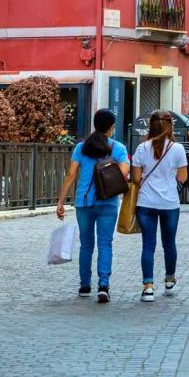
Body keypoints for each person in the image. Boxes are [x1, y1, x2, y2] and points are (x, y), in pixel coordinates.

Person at [56, 109, 129, 303]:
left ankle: (84, 285)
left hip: (84, 202)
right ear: (111, 128)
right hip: (108, 202)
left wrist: (61, 201)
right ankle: (103, 285)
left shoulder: (81, 148)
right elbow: (123, 175)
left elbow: (70, 175)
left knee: (86, 244)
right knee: (105, 243)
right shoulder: (119, 148)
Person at [131, 110, 189, 303]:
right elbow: (183, 177)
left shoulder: (141, 148)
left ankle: (148, 287)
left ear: (151, 126)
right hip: (169, 203)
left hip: (146, 202)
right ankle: (170, 280)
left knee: (148, 245)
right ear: (170, 126)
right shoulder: (178, 149)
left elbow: (137, 178)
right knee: (169, 243)